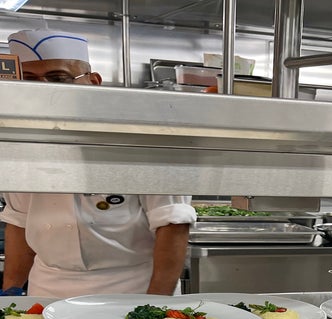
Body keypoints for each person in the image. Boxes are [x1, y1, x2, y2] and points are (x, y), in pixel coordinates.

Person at [0, 29, 196, 298]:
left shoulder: (142, 141)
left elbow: (172, 225)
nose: (43, 88)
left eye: (58, 78)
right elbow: (19, 223)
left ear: (93, 81)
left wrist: (155, 306)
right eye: (29, 79)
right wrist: (9, 293)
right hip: (46, 289)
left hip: (131, 287)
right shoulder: (18, 145)